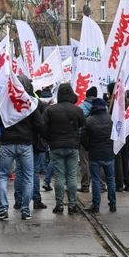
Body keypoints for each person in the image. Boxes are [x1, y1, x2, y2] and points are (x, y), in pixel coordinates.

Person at [0, 77, 42, 221]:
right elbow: (39, 123)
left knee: (2, 176)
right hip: (25, 143)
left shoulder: (3, 100)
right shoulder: (30, 101)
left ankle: (2, 209)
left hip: (7, 143)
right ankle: (25, 211)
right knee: (28, 177)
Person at [41, 82, 86, 214]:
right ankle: (72, 205)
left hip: (56, 146)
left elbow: (43, 128)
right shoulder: (77, 110)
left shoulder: (50, 110)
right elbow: (83, 125)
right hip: (72, 146)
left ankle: (59, 205)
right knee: (72, 176)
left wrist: (49, 139)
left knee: (59, 176)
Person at [81, 95, 117, 213]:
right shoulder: (111, 119)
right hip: (109, 154)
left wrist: (89, 148)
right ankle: (113, 204)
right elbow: (115, 135)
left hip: (95, 154)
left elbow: (83, 138)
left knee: (95, 180)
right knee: (110, 179)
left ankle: (96, 205)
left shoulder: (89, 120)